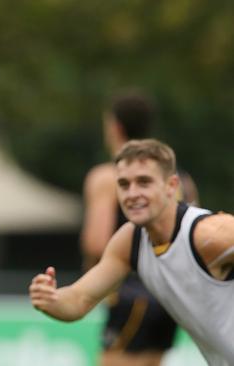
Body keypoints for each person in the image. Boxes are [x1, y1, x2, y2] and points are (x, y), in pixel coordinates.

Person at [31, 139, 234, 365]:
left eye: (144, 182)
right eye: (124, 184)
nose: (132, 193)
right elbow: (80, 299)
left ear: (172, 186)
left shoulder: (210, 234)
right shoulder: (130, 241)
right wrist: (52, 299)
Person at [80, 90, 199, 365]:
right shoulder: (180, 179)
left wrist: (92, 289)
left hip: (131, 292)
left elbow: (96, 243)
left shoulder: (107, 177)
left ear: (115, 126)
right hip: (170, 294)